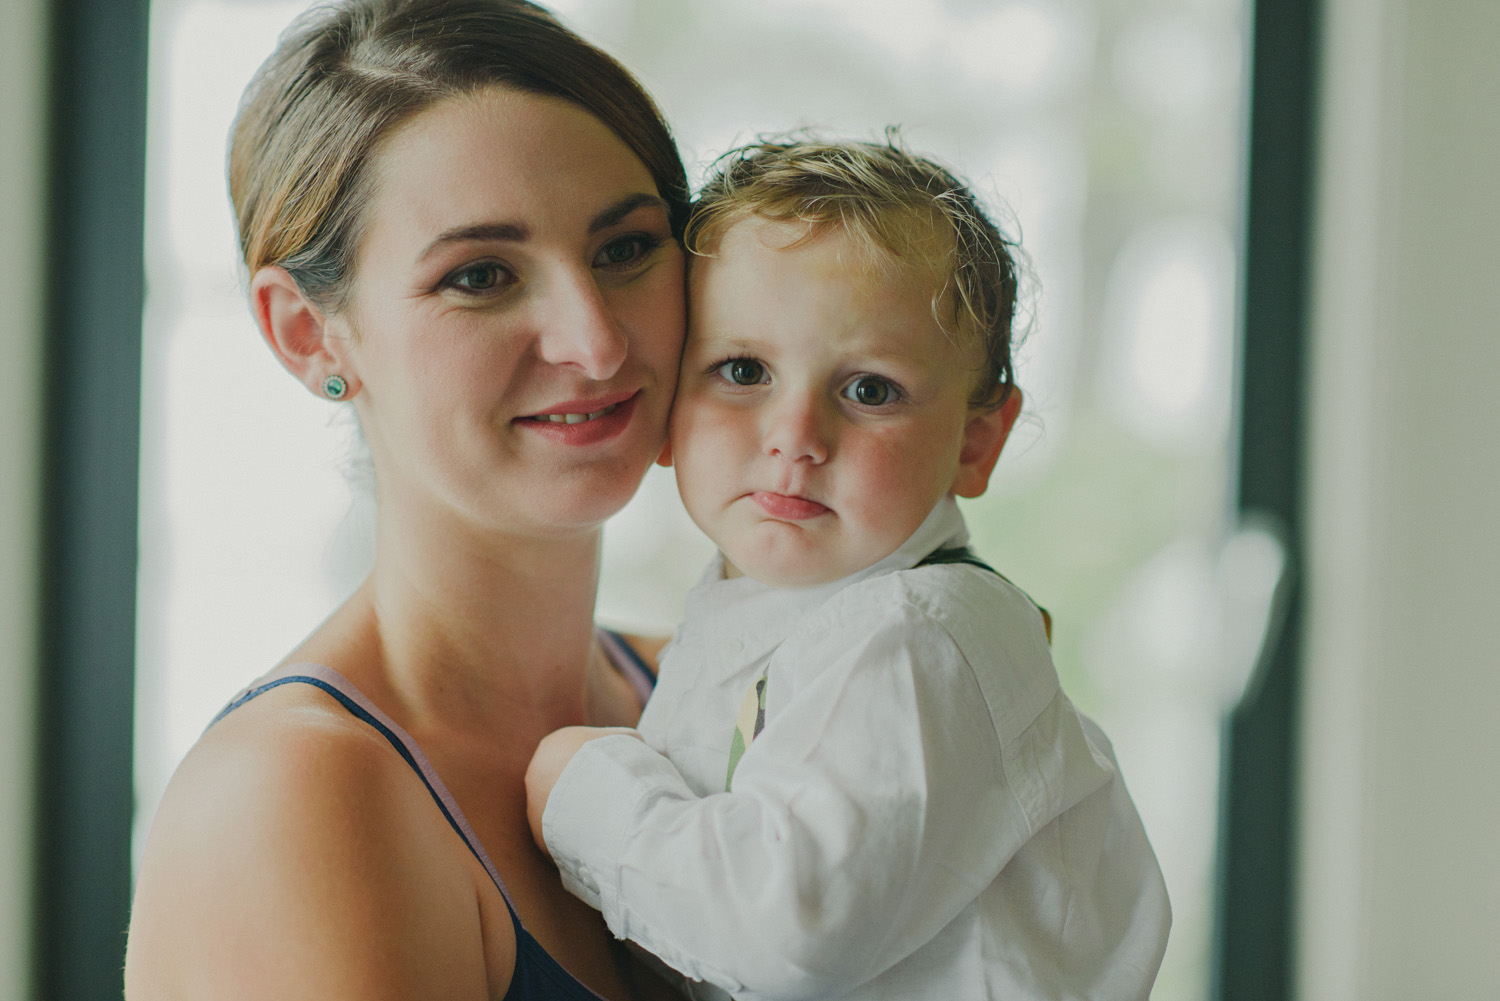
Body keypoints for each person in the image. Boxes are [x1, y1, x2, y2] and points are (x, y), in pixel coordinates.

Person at [124, 1, 693, 998]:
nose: (595, 341)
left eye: (625, 248)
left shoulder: (702, 693)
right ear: (309, 334)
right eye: (481, 274)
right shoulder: (296, 796)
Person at [525, 139, 1173, 1001]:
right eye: (743, 371)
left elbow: (787, 929)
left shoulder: (914, 635)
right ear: (669, 408)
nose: (796, 435)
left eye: (870, 390)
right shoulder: (771, 622)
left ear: (976, 442)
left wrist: (586, 791)